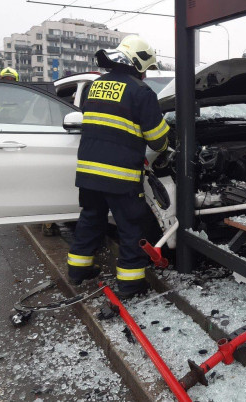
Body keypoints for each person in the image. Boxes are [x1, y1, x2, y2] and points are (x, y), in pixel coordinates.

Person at [67, 35, 170, 299]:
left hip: (89, 172)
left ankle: (78, 272)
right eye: (146, 68)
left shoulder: (95, 86)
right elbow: (157, 141)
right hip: (120, 176)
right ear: (139, 63)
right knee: (130, 227)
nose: (146, 74)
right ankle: (131, 285)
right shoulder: (140, 91)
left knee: (90, 219)